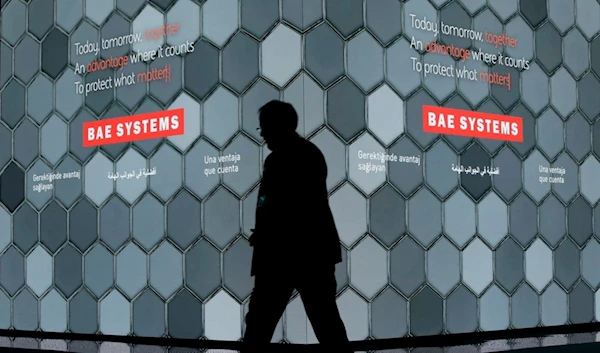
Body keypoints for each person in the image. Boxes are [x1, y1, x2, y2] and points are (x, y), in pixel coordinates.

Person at [242, 100, 351, 353]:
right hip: (311, 255)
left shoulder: (283, 158)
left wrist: (267, 235)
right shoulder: (308, 153)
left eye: (264, 128)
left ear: (276, 126)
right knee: (326, 323)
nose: (264, 135)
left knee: (260, 324)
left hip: (283, 257)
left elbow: (287, 208)